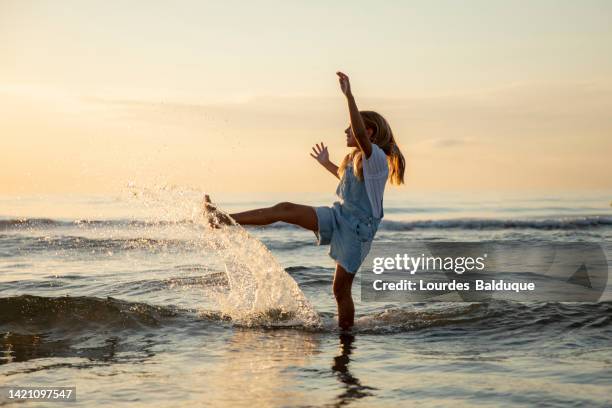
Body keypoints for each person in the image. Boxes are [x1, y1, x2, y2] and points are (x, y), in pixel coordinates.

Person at [204, 72, 405, 330]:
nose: (346, 131)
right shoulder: (356, 160)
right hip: (338, 216)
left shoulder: (375, 158)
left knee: (340, 291)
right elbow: (348, 179)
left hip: (358, 231)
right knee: (284, 209)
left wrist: (349, 96)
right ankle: (222, 219)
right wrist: (326, 164)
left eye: (352, 128)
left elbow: (360, 135)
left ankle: (347, 336)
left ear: (368, 132)